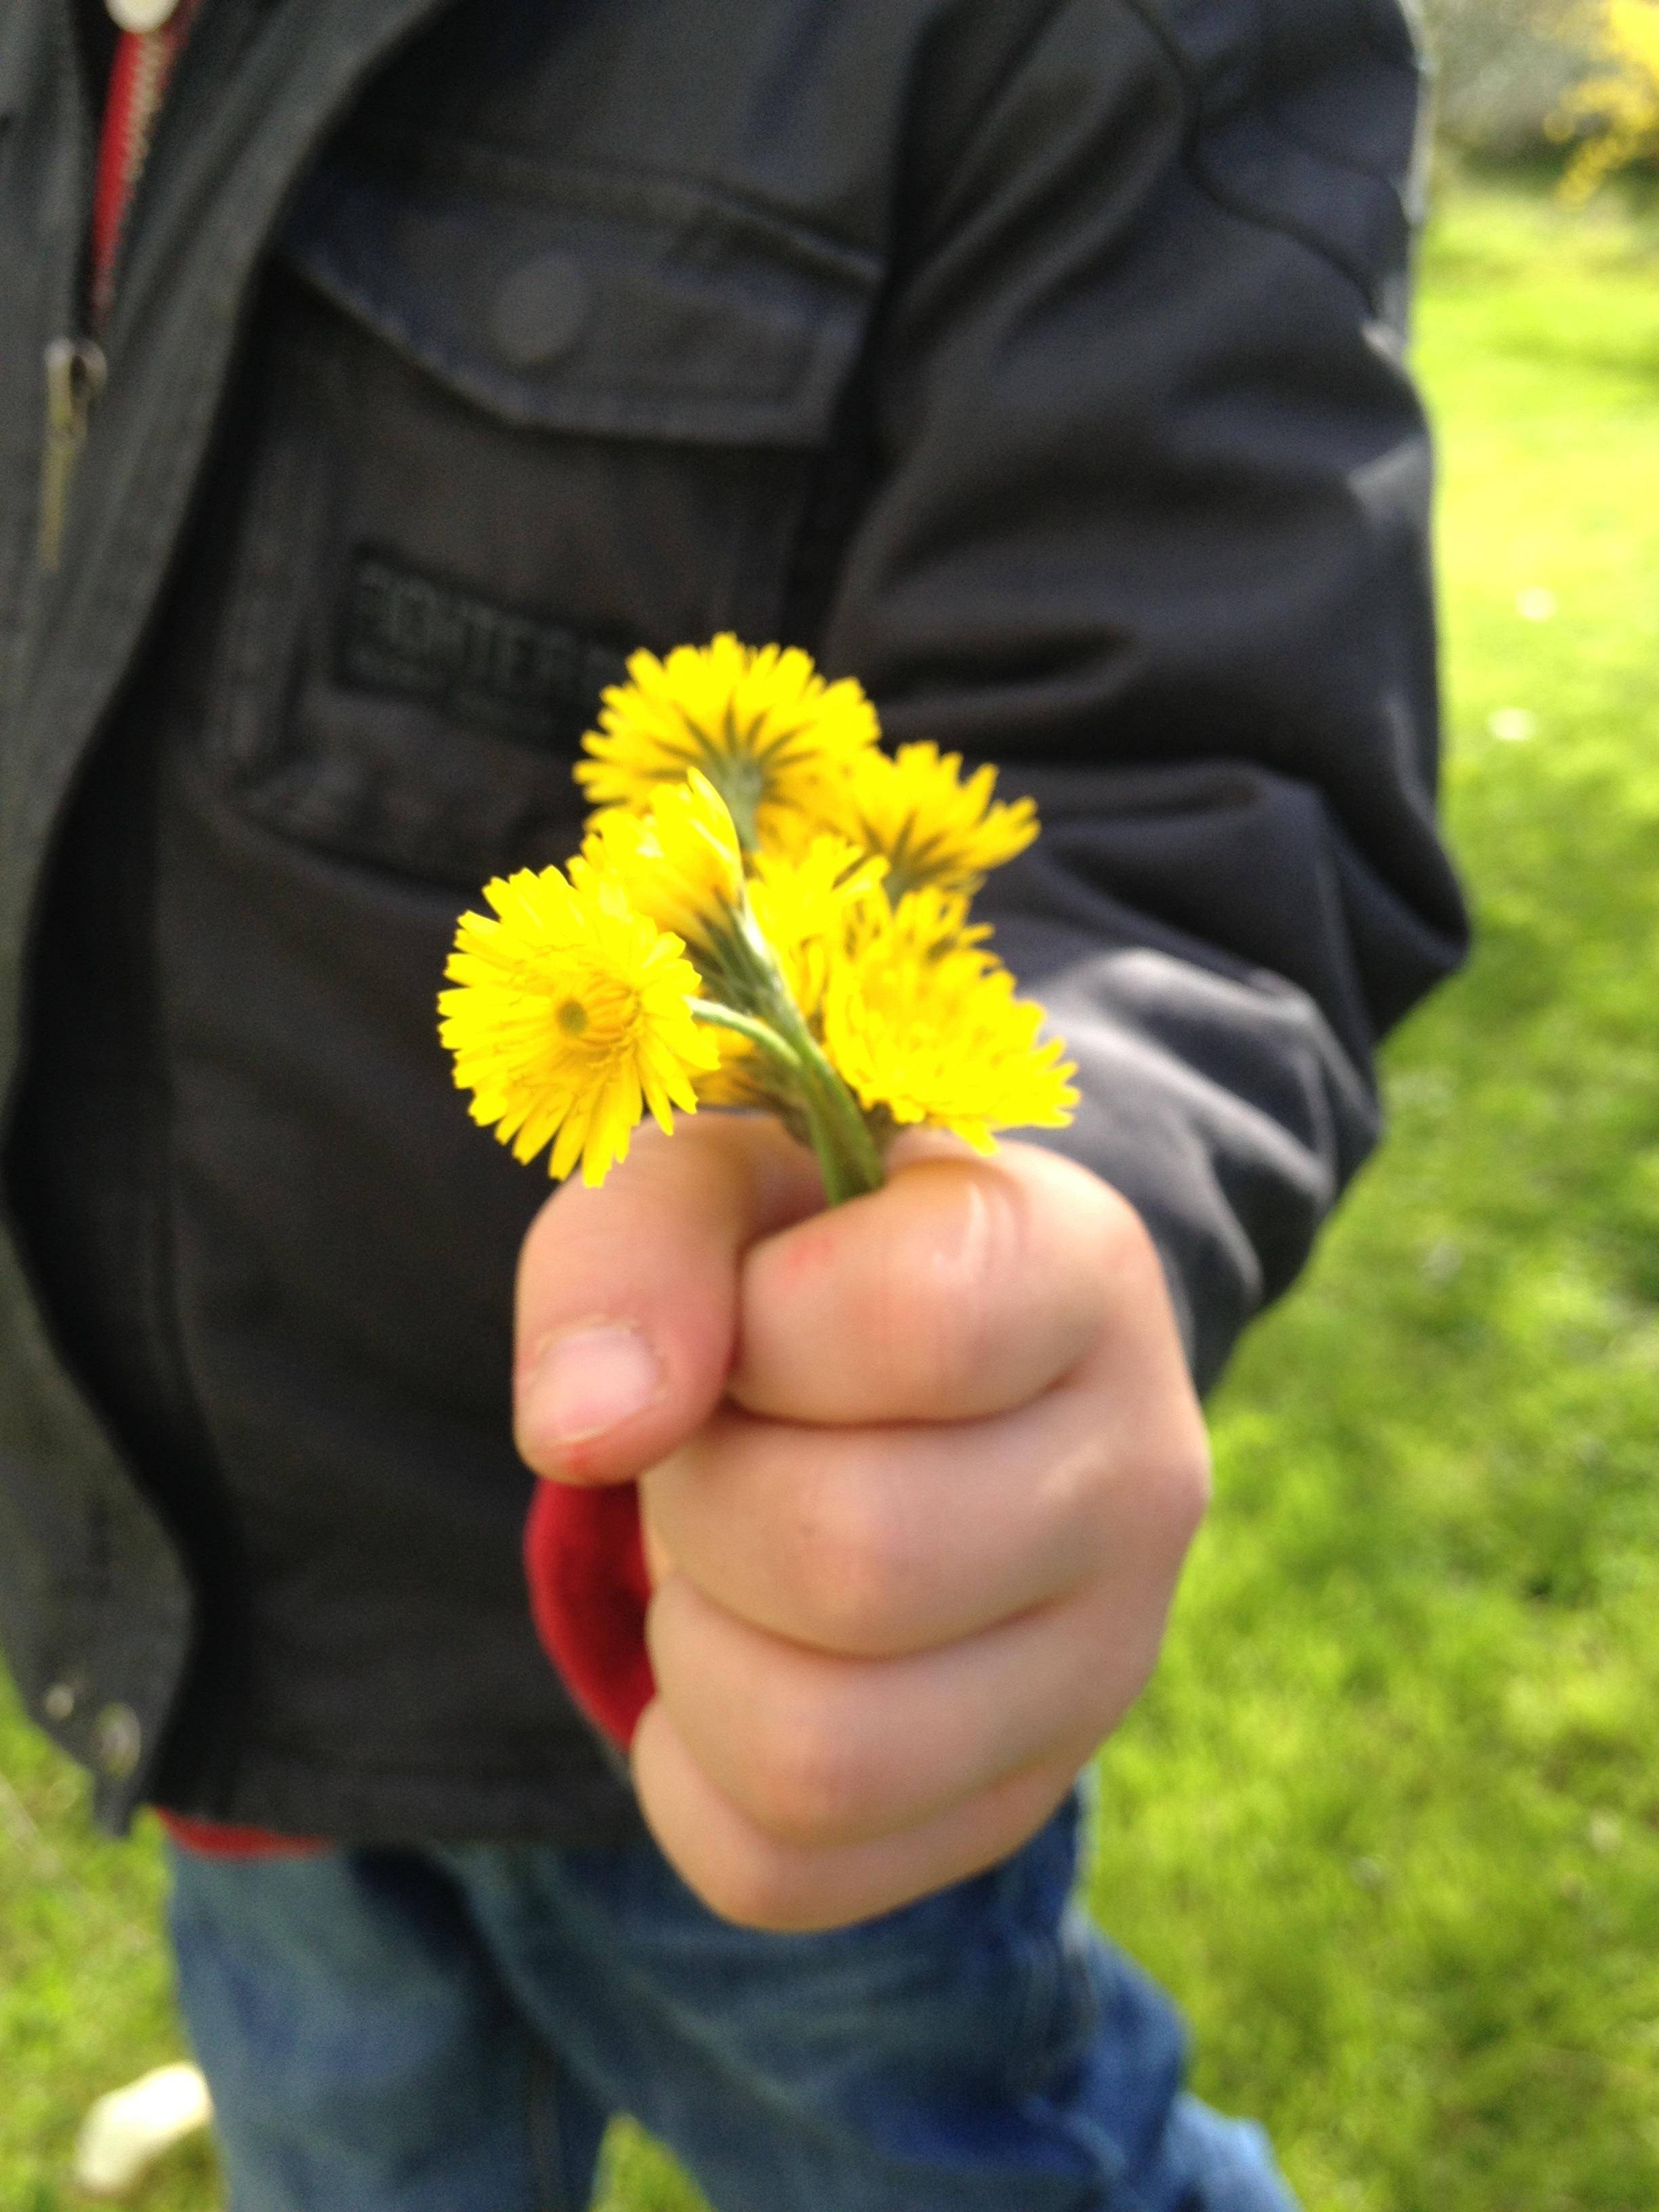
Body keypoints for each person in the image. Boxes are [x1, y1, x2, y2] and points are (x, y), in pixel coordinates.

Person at [0, 0, 1467, 2205]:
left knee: (995, 2163)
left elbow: (1175, 805)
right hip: (209, 1650)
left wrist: (1020, 1246)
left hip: (729, 1651)